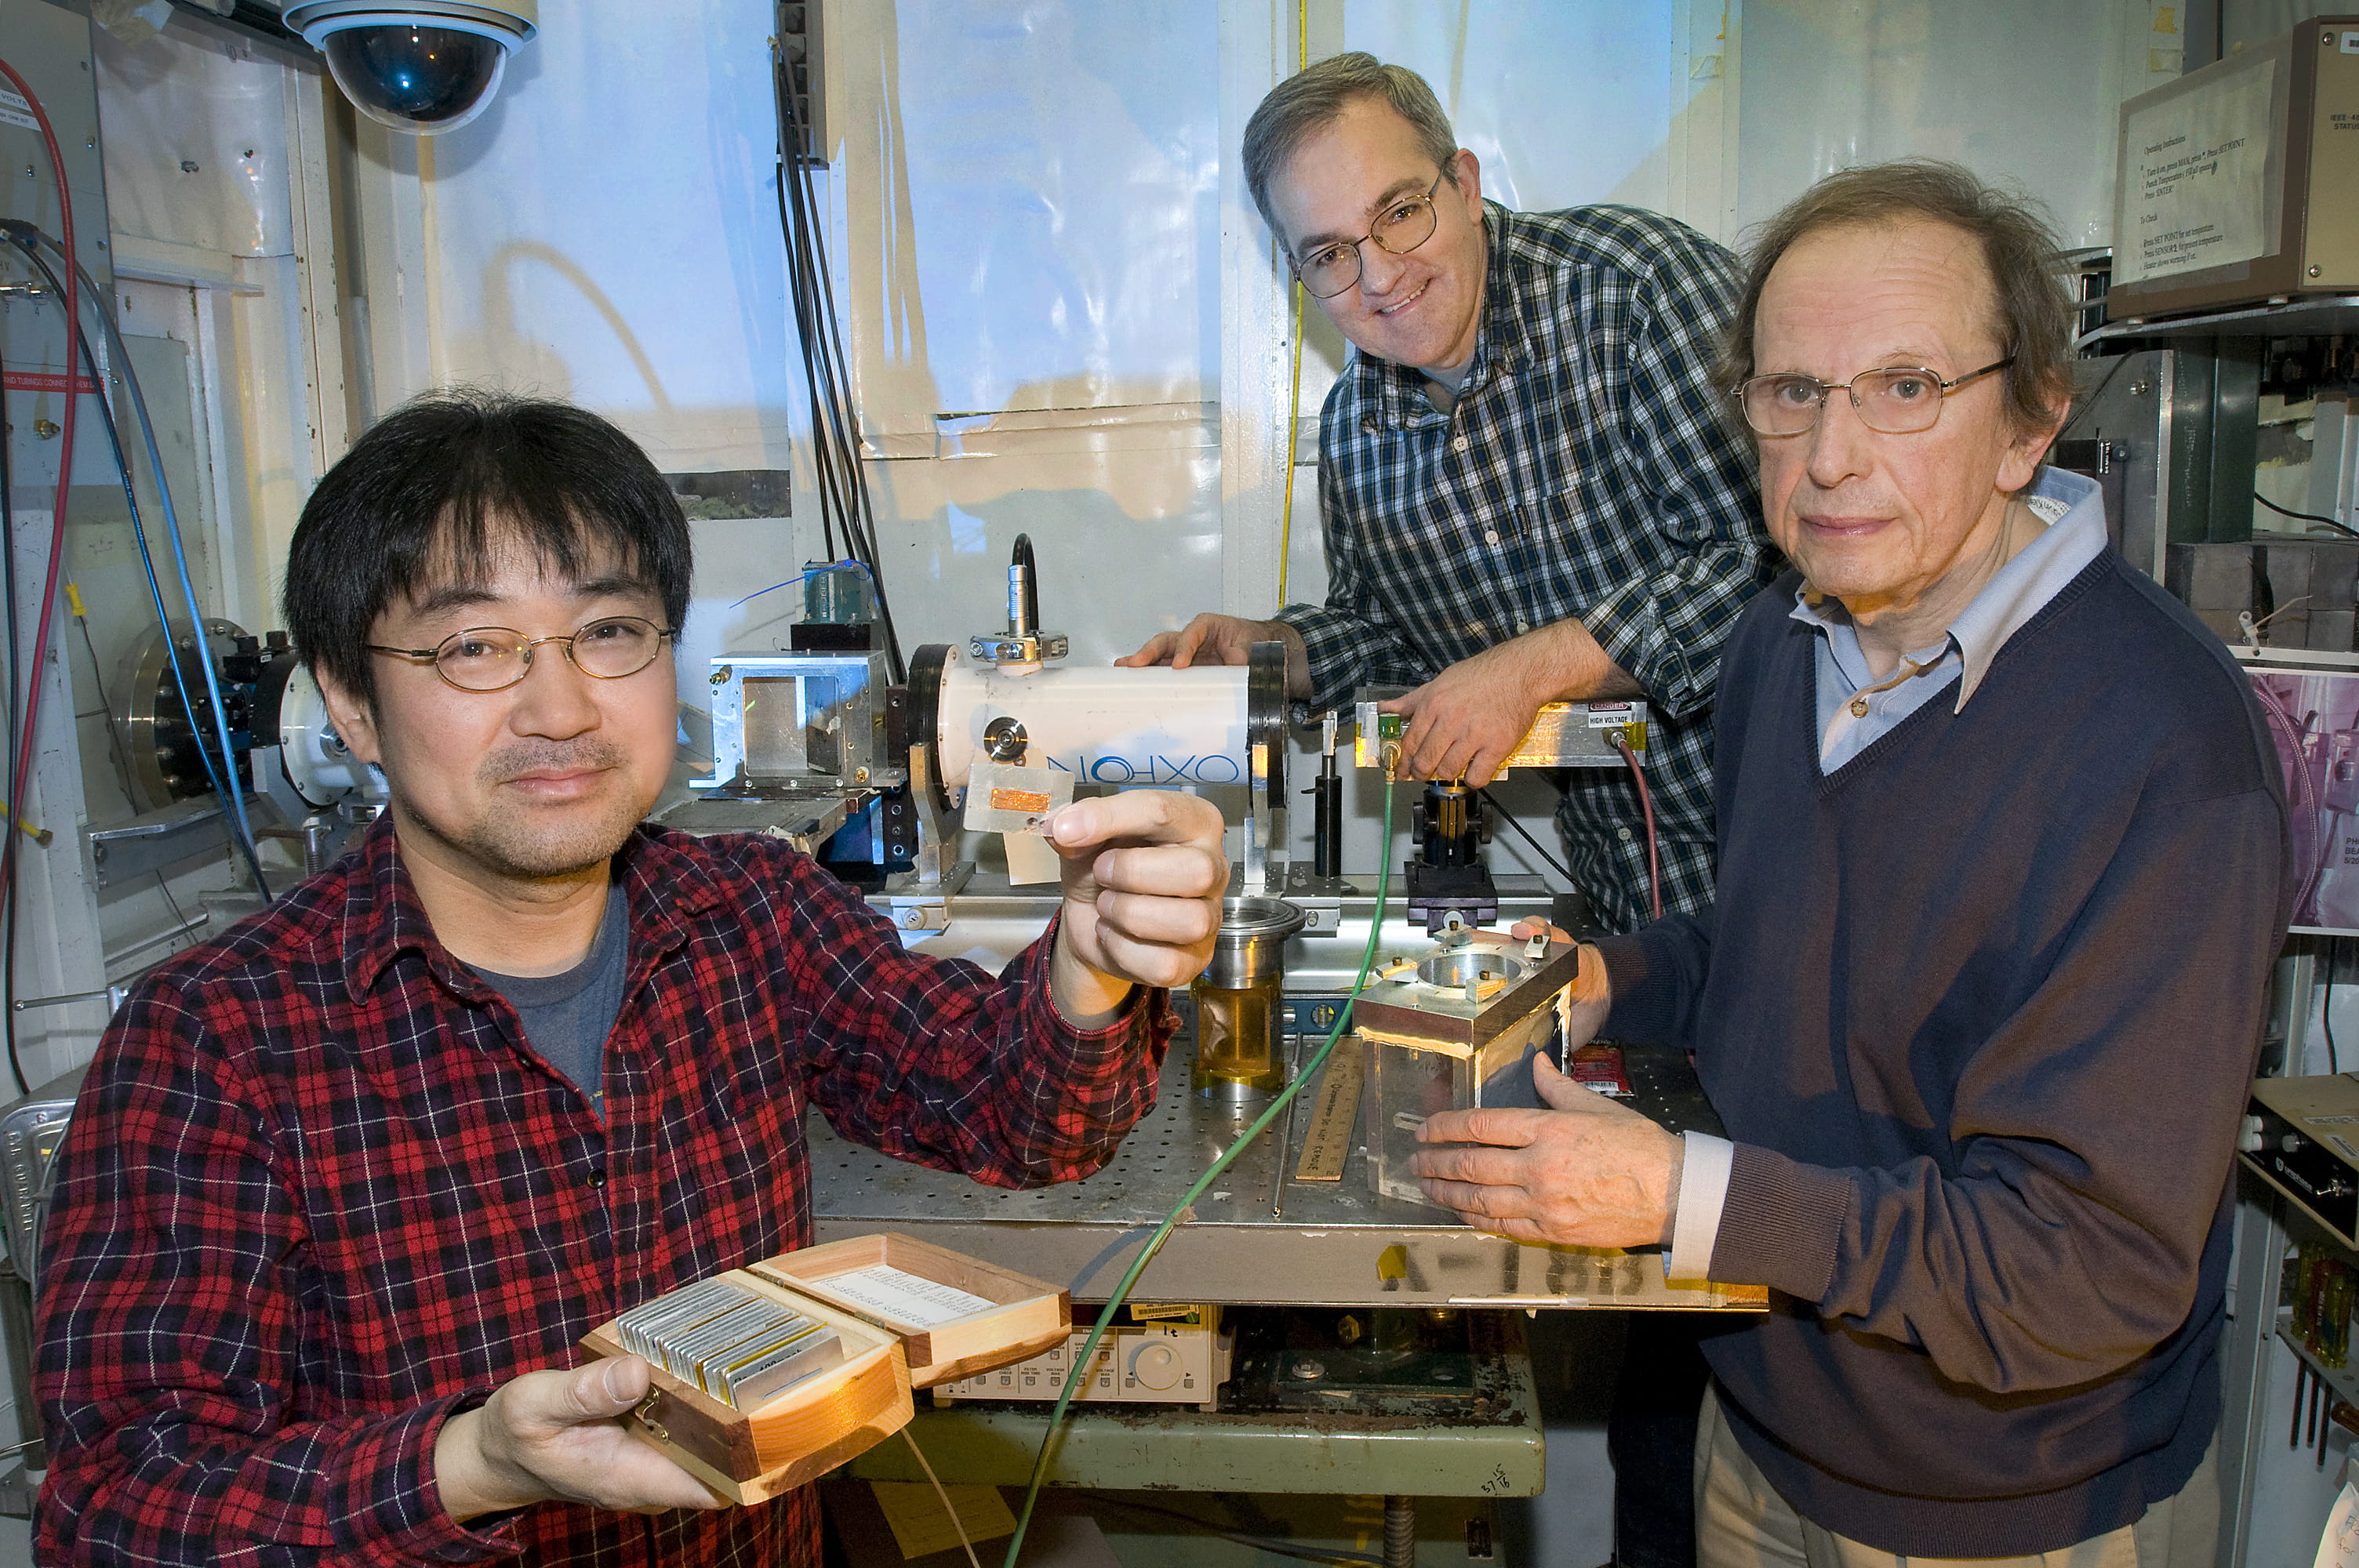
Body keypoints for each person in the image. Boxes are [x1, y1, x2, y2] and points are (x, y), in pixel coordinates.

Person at [32, 392, 1227, 1566]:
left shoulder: (747, 913)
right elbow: (119, 1513)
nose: (560, 709)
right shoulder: (216, 1042)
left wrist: (1087, 965)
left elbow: (1013, 1111)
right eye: (474, 648)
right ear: (349, 702)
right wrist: (476, 1465)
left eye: (607, 632)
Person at [1411, 160, 2292, 1565]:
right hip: (1762, 1422)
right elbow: (1769, 948)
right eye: (1789, 395)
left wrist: (1675, 1196)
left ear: (2028, 421)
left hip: (1993, 1496)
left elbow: (2082, 1268)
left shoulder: (2163, 753)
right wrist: (1607, 979)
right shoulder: (1786, 636)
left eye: (1901, 388)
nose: (1828, 456)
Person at [1118, 51, 1768, 936]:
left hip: (1794, 860)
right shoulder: (1356, 427)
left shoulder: (1634, 294)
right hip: (1631, 912)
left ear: (1462, 184)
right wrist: (1273, 650)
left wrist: (1530, 667)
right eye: (1330, 253)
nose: (1379, 276)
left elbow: (1778, 572)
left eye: (1398, 213)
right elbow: (1392, 632)